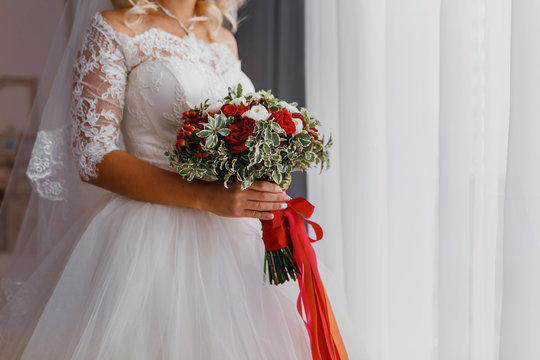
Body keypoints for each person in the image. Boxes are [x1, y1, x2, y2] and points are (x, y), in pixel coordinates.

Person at [0, 0, 316, 358]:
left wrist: (264, 169)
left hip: (236, 239)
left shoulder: (223, 38)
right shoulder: (114, 28)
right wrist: (206, 198)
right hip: (146, 241)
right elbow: (93, 157)